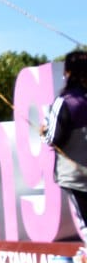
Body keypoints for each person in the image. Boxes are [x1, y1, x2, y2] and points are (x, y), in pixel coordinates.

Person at [43, 49, 87, 245]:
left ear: (68, 73)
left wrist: (45, 131)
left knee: (85, 224)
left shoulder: (65, 102)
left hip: (76, 175)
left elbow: (54, 138)